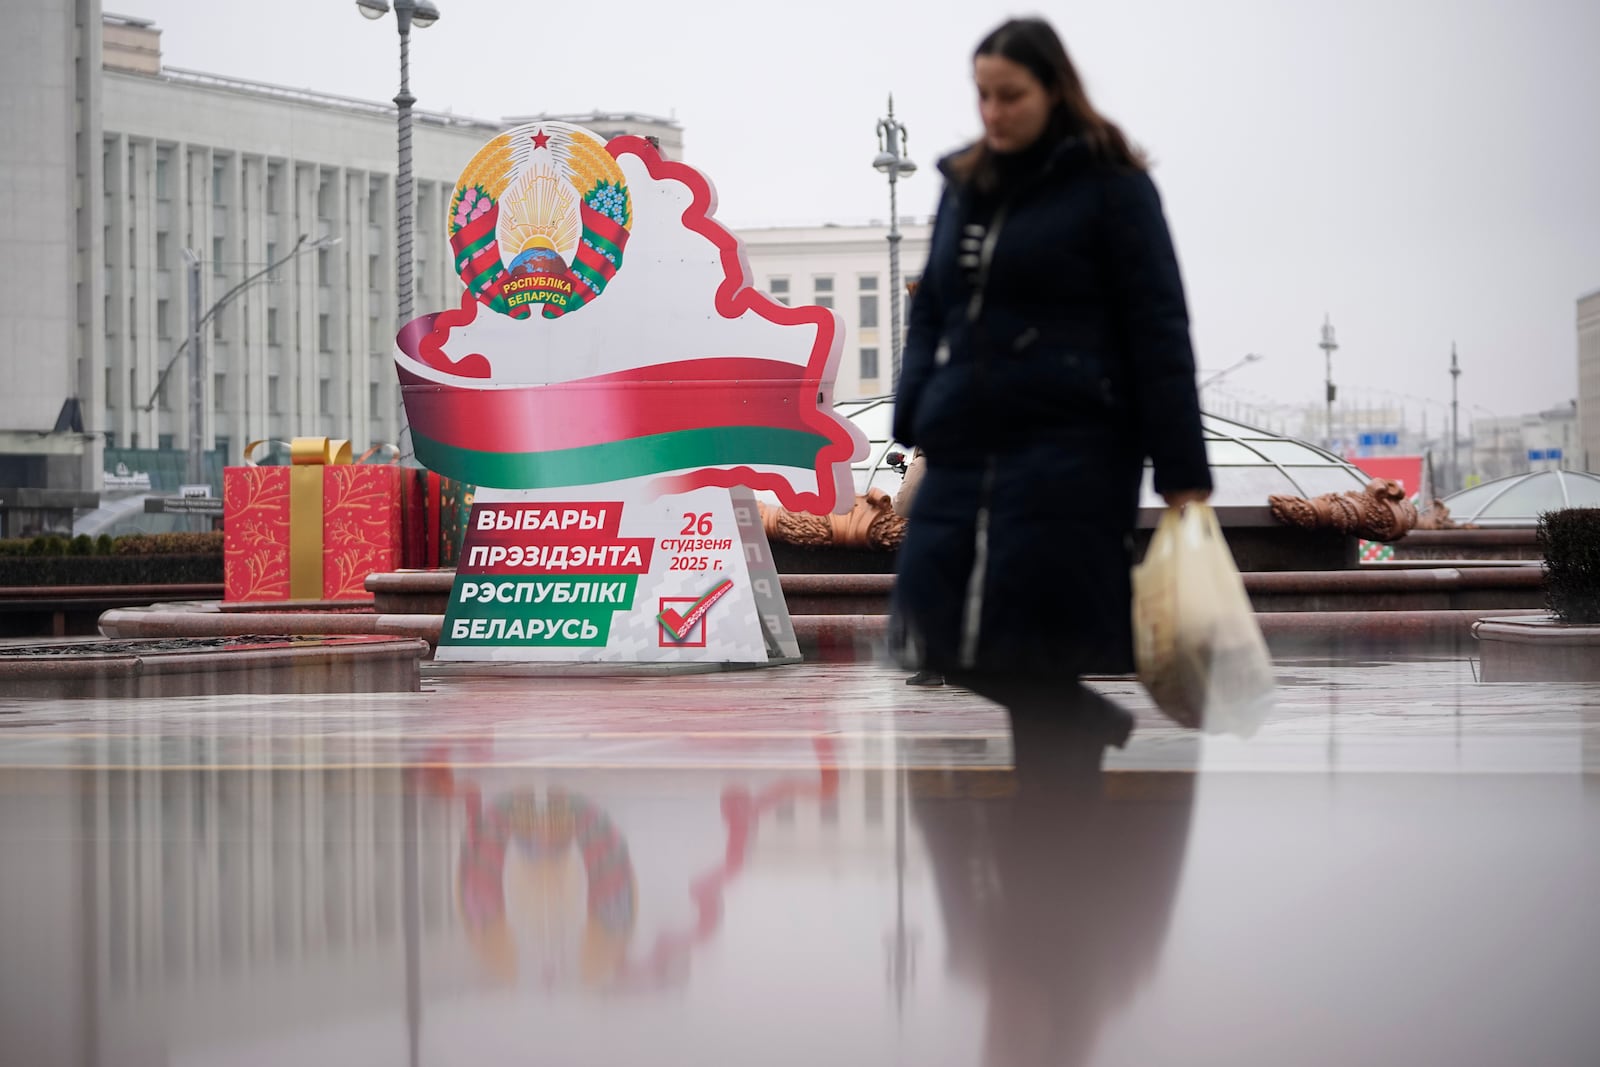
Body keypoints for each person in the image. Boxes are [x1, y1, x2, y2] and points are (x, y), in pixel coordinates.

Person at [891, 16, 1213, 744]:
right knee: (928, 623)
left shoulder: (1112, 188)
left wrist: (1183, 475)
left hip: (1073, 449)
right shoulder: (964, 183)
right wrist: (914, 409)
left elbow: (1158, 331)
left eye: (1011, 95)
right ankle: (1086, 726)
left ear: (1053, 90)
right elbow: (933, 308)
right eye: (982, 96)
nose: (994, 113)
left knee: (1037, 646)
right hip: (964, 438)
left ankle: (1054, 833)